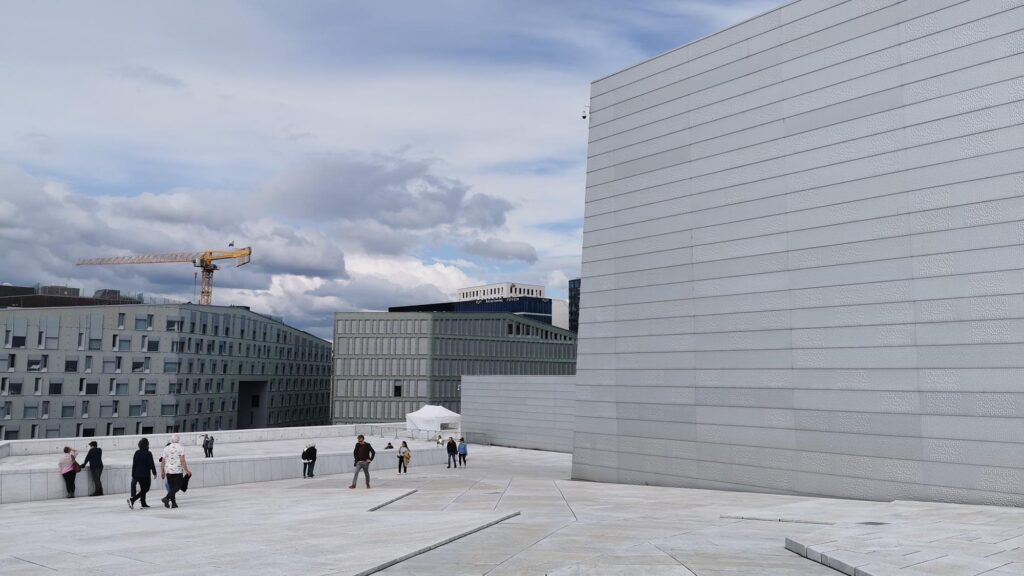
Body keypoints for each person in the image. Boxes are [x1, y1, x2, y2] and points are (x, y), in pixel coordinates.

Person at [160, 435, 191, 508]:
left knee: (171, 487)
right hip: (177, 470)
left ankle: (174, 504)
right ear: (178, 440)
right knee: (178, 486)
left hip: (168, 471)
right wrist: (187, 470)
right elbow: (182, 460)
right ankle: (166, 498)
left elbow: (163, 461)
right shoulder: (181, 447)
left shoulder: (166, 448)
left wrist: (162, 471)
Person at [127, 438, 157, 509]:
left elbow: (134, 464)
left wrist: (133, 474)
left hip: (137, 474)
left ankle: (143, 503)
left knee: (143, 488)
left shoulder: (137, 452)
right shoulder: (148, 453)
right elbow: (151, 464)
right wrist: (154, 473)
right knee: (146, 489)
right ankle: (132, 500)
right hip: (145, 475)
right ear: (147, 445)